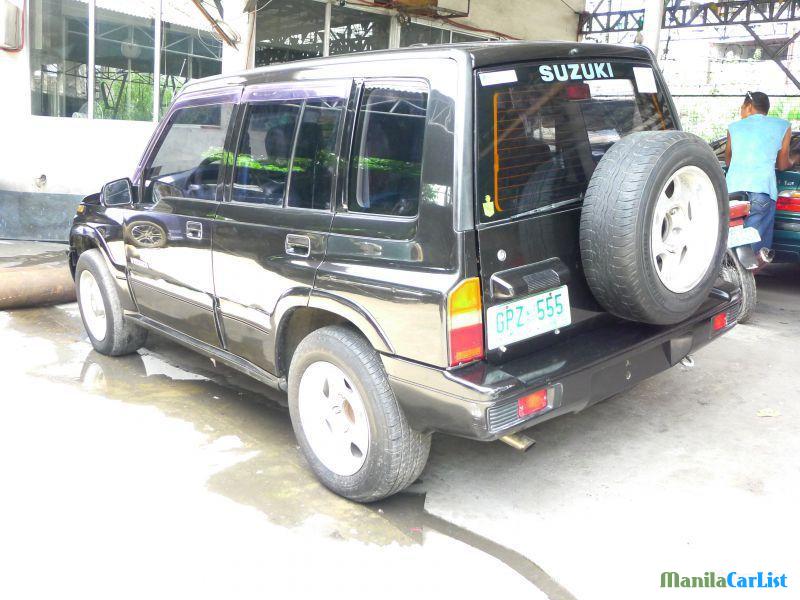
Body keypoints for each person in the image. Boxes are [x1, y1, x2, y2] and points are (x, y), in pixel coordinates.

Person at [725, 91, 798, 263]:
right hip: (762, 192)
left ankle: (729, 277)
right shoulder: (783, 126)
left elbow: (729, 160)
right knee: (754, 249)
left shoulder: (734, 127)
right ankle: (746, 282)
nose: (741, 112)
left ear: (749, 107)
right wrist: (794, 159)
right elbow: (782, 164)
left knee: (729, 239)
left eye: (742, 108)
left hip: (733, 192)